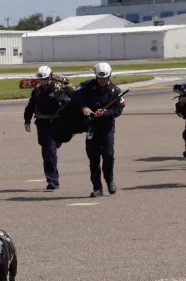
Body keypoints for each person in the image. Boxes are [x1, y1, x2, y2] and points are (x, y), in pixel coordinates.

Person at [67, 62, 125, 198]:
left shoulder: (115, 91)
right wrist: (83, 107)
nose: (102, 81)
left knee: (108, 156)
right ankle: (97, 188)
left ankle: (109, 180)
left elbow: (118, 109)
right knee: (93, 159)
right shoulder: (87, 86)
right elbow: (74, 97)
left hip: (107, 128)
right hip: (91, 127)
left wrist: (104, 114)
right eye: (99, 79)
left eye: (104, 79)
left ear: (109, 76)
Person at [23, 65, 69, 190]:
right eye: (40, 80)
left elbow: (68, 103)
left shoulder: (58, 90)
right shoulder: (37, 91)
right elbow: (30, 106)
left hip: (57, 123)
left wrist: (60, 101)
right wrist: (27, 121)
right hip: (43, 124)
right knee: (48, 151)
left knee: (52, 148)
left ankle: (53, 178)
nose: (42, 83)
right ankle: (52, 180)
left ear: (50, 78)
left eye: (44, 80)